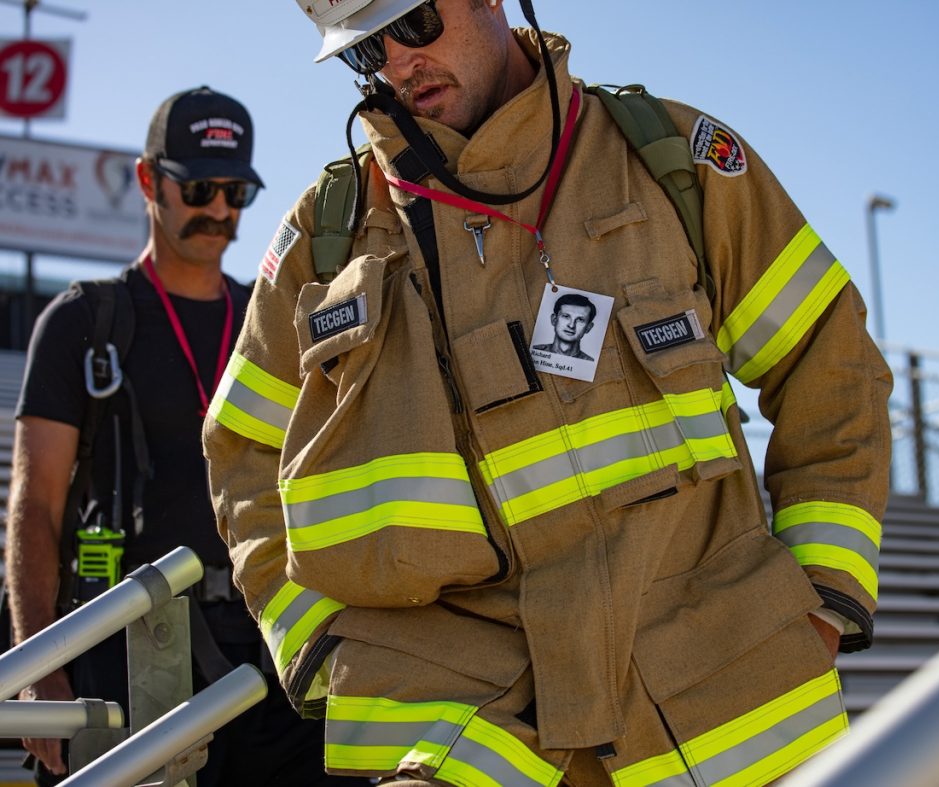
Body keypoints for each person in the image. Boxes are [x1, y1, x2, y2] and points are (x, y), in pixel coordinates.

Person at [203, 2, 893, 785]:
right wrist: (318, 641)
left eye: (418, 23)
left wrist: (823, 596)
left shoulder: (672, 160)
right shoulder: (324, 238)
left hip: (723, 714)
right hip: (461, 743)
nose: (397, 63)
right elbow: (243, 452)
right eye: (366, 49)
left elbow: (829, 361)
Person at [6, 86, 352, 786]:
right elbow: (32, 506)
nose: (219, 210)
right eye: (197, 187)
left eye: (234, 191)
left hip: (268, 655)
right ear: (147, 180)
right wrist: (40, 666)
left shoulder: (274, 321)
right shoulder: (83, 322)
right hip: (126, 653)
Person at [532, 292, 596, 361]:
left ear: (588, 327)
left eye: (580, 319)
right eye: (566, 316)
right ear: (554, 320)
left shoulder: (590, 362)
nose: (571, 325)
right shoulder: (534, 351)